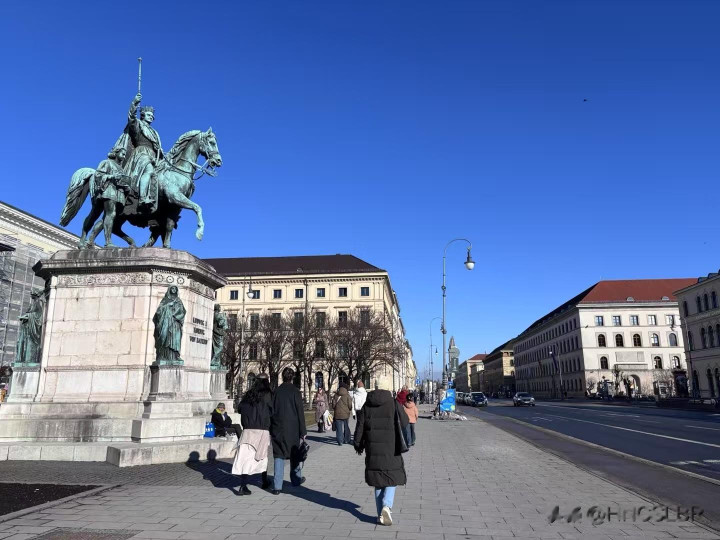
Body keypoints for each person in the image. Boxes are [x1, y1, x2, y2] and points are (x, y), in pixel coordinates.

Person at [354, 387, 409, 526]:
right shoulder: (393, 403)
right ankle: (387, 506)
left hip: (372, 448)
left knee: (377, 481)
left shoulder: (367, 405)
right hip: (391, 448)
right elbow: (404, 421)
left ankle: (380, 516)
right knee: (392, 477)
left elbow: (360, 426)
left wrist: (357, 444)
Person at [232, 375, 272, 495]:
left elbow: (240, 408)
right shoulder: (268, 395)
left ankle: (243, 485)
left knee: (246, 458)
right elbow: (273, 410)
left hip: (248, 430)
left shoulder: (249, 394)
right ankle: (264, 481)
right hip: (262, 430)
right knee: (262, 457)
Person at [124, 92, 164, 212]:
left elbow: (157, 147)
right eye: (149, 115)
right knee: (149, 170)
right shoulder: (138, 124)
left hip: (153, 156)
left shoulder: (155, 132)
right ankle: (142, 198)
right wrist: (135, 102)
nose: (151, 117)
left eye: (152, 115)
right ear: (142, 115)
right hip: (141, 153)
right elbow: (131, 117)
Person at [270, 367, 307, 494]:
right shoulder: (295, 391)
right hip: (292, 428)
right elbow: (300, 412)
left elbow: (271, 411)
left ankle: (277, 486)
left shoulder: (276, 391)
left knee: (278, 455)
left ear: (282, 376)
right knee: (294, 454)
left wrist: (271, 428)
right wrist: (303, 431)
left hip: (278, 427)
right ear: (292, 377)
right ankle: (296, 479)